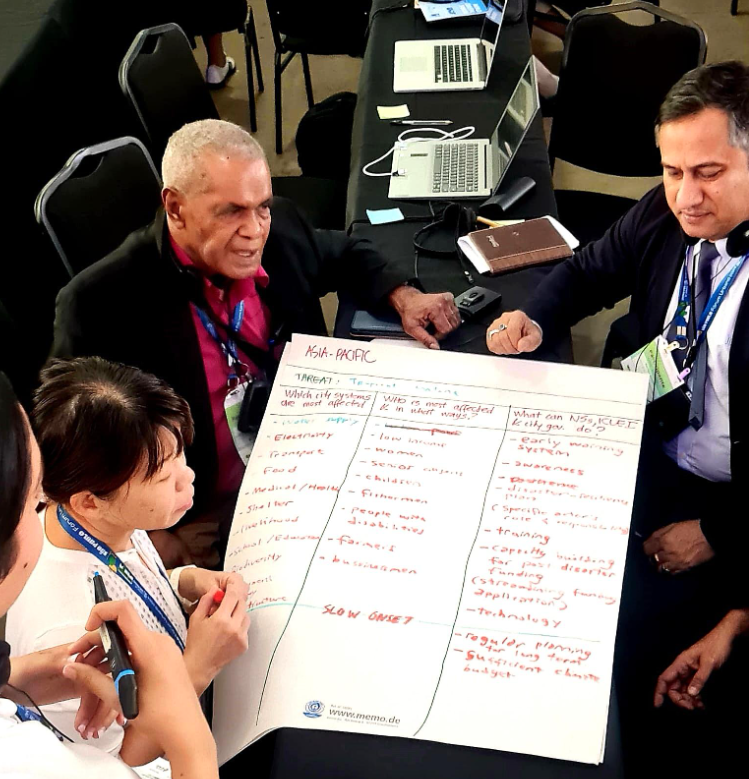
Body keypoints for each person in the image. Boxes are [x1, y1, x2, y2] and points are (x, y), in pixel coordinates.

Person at [486, 61, 749, 773]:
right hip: (642, 434)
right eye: (670, 171)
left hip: (722, 498)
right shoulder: (666, 210)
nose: (684, 198)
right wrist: (532, 319)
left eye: (707, 173)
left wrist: (714, 534)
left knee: (632, 653)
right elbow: (586, 270)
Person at [52, 119, 460, 568]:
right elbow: (71, 449)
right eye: (231, 212)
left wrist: (405, 296)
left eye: (260, 207)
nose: (255, 231)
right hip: (198, 506)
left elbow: (343, 253)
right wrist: (148, 536)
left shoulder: (280, 228)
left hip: (313, 464)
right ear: (176, 208)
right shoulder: (101, 305)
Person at [6, 357, 249, 765]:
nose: (186, 479)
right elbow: (122, 761)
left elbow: (129, 579)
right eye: (162, 479)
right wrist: (199, 667)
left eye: (180, 457)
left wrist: (182, 581)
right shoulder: (64, 628)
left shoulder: (98, 516)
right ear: (90, 501)